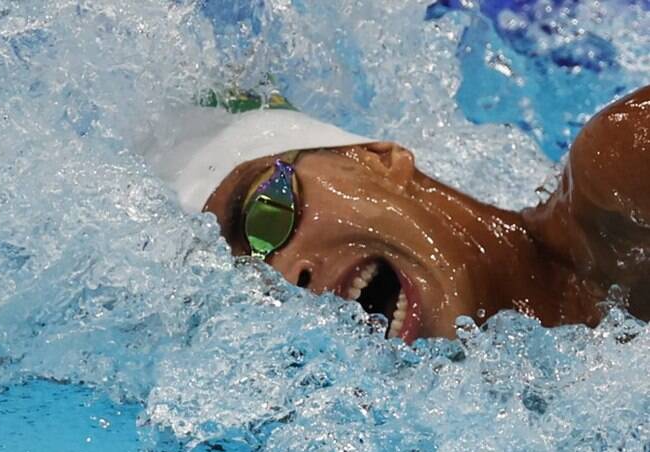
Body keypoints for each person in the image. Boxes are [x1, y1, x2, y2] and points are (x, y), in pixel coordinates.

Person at [142, 86, 650, 344]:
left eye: (268, 215)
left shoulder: (621, 180)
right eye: (247, 285)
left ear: (379, 160)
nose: (281, 276)